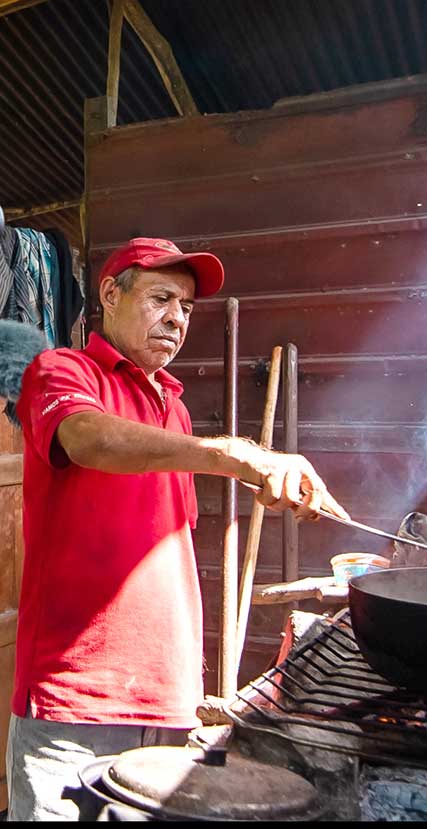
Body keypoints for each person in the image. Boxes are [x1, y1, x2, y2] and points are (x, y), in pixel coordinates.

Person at [5, 237, 349, 821]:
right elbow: (88, 439)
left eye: (187, 307)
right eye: (162, 297)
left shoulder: (175, 406)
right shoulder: (60, 370)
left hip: (168, 697)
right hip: (77, 698)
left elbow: (168, 541)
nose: (177, 318)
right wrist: (243, 457)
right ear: (111, 295)